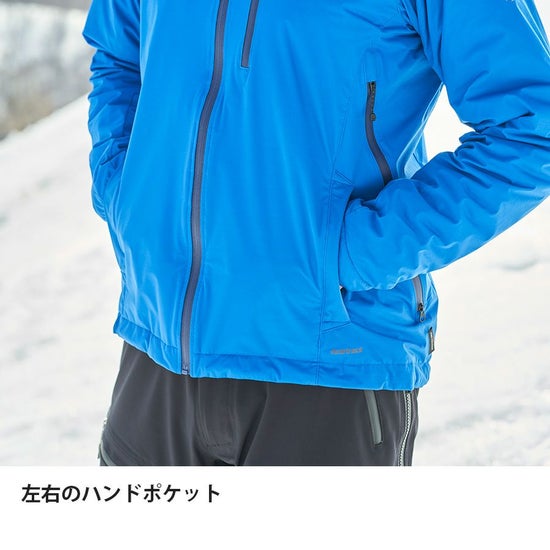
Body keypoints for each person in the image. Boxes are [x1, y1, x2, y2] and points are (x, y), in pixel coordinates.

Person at [82, 0, 550, 466]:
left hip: (328, 359)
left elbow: (530, 130)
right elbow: (118, 54)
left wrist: (350, 254)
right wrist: (123, 194)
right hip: (156, 344)